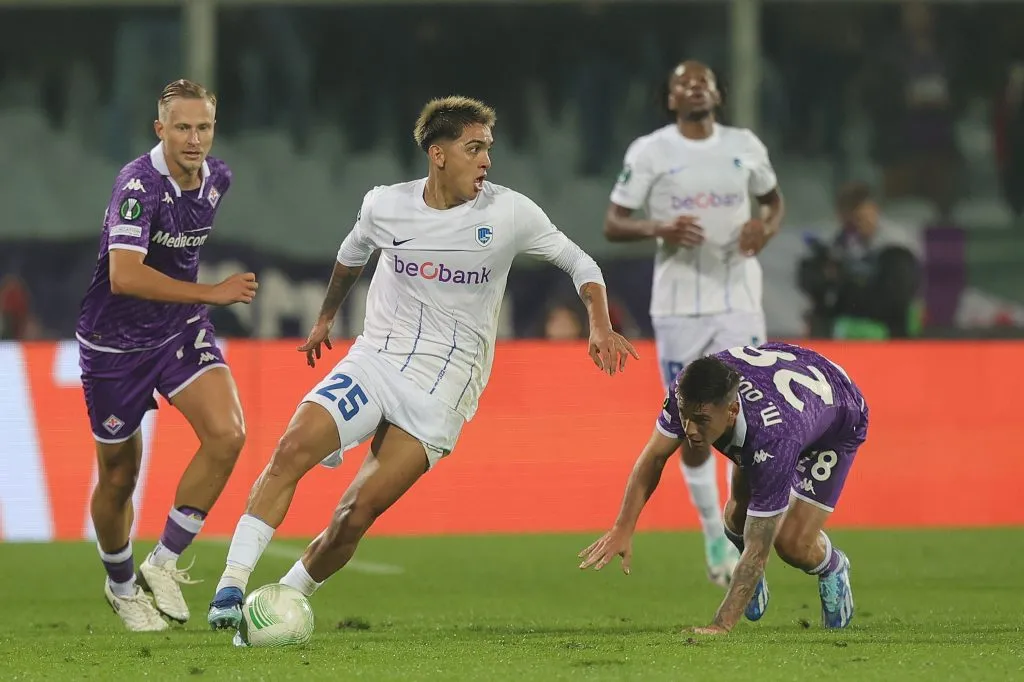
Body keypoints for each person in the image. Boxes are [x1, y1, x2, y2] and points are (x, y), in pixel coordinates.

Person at [208, 95, 638, 638]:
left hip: (445, 388)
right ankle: (231, 585)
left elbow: (580, 262)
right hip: (377, 357)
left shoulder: (508, 213)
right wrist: (324, 320)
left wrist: (598, 322)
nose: (486, 161)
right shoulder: (386, 206)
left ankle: (287, 597)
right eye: (473, 148)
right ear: (438, 154)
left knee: (353, 516)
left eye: (488, 150)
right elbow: (350, 255)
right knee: (292, 447)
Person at [76, 79, 259, 632]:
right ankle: (123, 584)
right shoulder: (138, 185)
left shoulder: (217, 179)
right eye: (182, 127)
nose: (194, 138)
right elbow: (125, 276)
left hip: (178, 332)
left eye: (203, 127)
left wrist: (198, 305)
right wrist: (213, 293)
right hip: (114, 347)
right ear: (160, 129)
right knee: (117, 478)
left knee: (229, 434)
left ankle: (164, 561)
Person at [603, 60, 785, 587]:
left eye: (702, 79)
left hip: (738, 301)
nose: (694, 86)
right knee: (694, 426)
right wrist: (659, 226)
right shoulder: (650, 151)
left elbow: (773, 203)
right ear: (670, 98)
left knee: (747, 416)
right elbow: (613, 222)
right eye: (682, 80)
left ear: (717, 93)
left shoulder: (745, 144)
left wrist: (764, 229)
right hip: (680, 305)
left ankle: (739, 528)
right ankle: (712, 534)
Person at [580, 343, 866, 633]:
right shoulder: (687, 388)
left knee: (791, 544)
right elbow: (654, 457)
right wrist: (623, 528)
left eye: (701, 420)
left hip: (838, 420)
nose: (690, 429)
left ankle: (833, 567)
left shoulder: (773, 439)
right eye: (685, 416)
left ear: (732, 410)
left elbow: (758, 549)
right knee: (735, 520)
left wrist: (721, 625)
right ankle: (748, 580)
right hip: (785, 389)